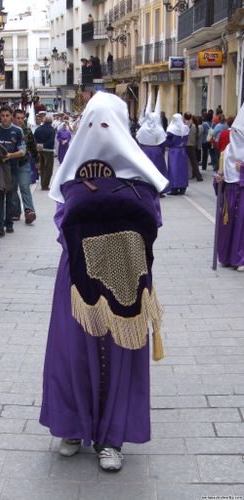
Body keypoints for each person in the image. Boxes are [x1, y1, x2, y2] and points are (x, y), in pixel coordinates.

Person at [40, 92, 168, 472]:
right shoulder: (71, 172)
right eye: (93, 124)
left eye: (108, 124)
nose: (101, 134)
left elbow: (154, 225)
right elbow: (62, 224)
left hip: (128, 273)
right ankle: (72, 427)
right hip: (77, 276)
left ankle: (113, 438)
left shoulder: (142, 174)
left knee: (121, 355)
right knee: (71, 350)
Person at [0, 105, 25, 236]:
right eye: (3, 116)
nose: (5, 118)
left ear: (11, 116)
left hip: (12, 168)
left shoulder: (18, 131)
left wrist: (11, 155)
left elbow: (23, 151)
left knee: (10, 196)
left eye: (7, 116)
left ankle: (9, 223)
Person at [214, 104, 244, 271]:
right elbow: (221, 171)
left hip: (243, 192)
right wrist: (219, 179)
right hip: (230, 194)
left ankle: (240, 258)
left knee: (241, 228)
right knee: (229, 226)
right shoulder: (227, 152)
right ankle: (227, 256)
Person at [12, 109, 40, 224]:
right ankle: (16, 210)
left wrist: (37, 160)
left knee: (24, 187)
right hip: (11, 164)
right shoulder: (9, 130)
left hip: (24, 163)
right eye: (17, 118)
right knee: (13, 189)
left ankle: (29, 211)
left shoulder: (27, 130)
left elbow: (33, 145)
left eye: (21, 118)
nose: (20, 120)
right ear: (13, 118)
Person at [165, 113, 190, 195]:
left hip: (174, 151)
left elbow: (167, 141)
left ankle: (174, 187)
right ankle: (183, 187)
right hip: (182, 150)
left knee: (174, 168)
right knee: (182, 168)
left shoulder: (171, 129)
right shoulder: (185, 128)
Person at [34, 115, 56, 190]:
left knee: (42, 168)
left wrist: (38, 145)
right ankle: (45, 185)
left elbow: (34, 138)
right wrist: (44, 145)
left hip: (39, 151)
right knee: (48, 168)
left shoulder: (38, 129)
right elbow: (51, 141)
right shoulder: (52, 130)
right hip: (48, 151)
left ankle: (42, 182)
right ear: (51, 122)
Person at [183, 112, 203, 182]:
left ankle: (185, 174)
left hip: (184, 145)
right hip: (191, 144)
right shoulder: (193, 126)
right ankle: (198, 176)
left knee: (183, 160)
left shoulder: (183, 125)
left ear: (184, 118)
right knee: (193, 161)